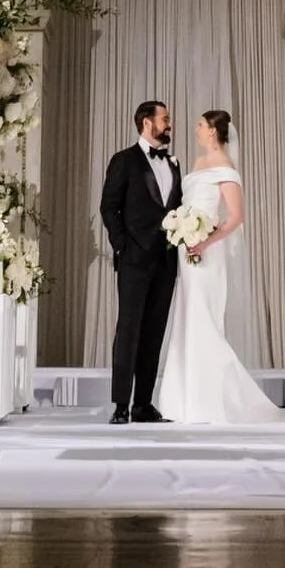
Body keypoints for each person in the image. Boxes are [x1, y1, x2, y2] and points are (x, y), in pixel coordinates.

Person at [155, 109, 280, 426]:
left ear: (213, 131)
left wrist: (205, 241)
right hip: (188, 250)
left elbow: (236, 216)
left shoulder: (226, 168)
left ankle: (213, 402)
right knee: (186, 319)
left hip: (208, 253)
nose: (195, 129)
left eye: (199, 125)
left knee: (205, 320)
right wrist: (182, 231)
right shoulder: (197, 165)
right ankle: (182, 403)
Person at [100, 99, 182, 425]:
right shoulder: (124, 160)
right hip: (134, 261)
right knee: (129, 331)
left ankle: (143, 405)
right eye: (165, 118)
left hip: (166, 261)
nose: (169, 124)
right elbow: (109, 207)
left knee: (154, 332)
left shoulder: (174, 164)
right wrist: (122, 246)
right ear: (147, 122)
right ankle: (121, 405)